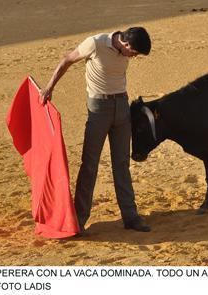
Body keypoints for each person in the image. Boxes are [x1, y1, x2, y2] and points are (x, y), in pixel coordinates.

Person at [40, 27, 152, 233]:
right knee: (89, 165)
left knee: (122, 164)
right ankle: (78, 221)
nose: (133, 57)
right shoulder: (95, 43)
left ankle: (130, 217)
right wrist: (49, 87)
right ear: (126, 44)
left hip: (122, 107)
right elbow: (67, 60)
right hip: (98, 109)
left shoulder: (124, 48)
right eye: (133, 53)